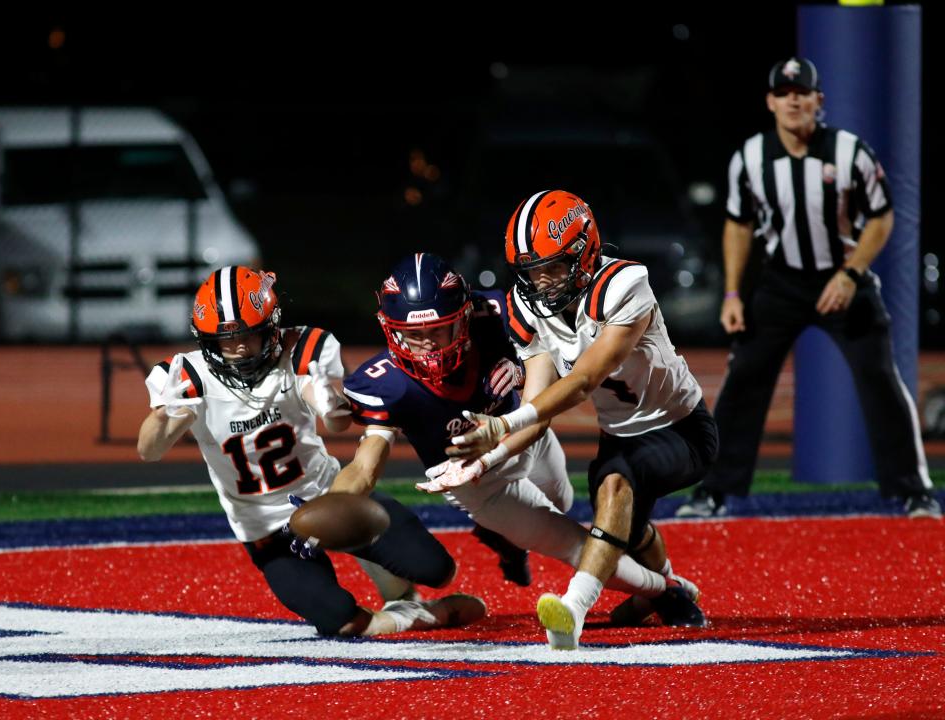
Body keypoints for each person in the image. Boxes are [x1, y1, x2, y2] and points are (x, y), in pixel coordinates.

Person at [137, 265, 485, 637]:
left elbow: (333, 420)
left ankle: (391, 581)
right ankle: (415, 613)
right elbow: (149, 451)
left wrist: (331, 403)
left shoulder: (298, 349)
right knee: (342, 621)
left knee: (437, 569)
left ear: (271, 327)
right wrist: (162, 418)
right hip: (267, 529)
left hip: (331, 498)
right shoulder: (187, 377)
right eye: (225, 340)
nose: (238, 348)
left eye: (249, 336)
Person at [336, 252, 685, 620]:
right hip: (479, 481)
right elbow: (364, 466)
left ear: (465, 316)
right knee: (577, 545)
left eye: (438, 329)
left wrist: (524, 368)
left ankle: (506, 542)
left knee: (563, 498)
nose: (428, 346)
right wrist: (327, 509)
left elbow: (560, 352)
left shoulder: (499, 313)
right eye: (414, 335)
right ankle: (667, 591)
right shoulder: (385, 383)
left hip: (525, 436)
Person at [449, 191, 718, 649]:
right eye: (531, 271)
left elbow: (585, 380)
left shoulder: (625, 282)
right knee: (625, 531)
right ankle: (671, 592)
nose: (542, 282)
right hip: (620, 437)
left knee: (617, 487)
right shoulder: (527, 305)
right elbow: (536, 408)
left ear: (585, 251)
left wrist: (503, 425)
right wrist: (485, 457)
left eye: (552, 266)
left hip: (679, 427)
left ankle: (572, 610)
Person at [675, 57, 940, 520]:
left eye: (803, 92)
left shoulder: (849, 151)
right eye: (785, 93)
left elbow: (881, 215)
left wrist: (851, 273)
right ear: (771, 102)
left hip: (843, 277)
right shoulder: (752, 157)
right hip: (781, 282)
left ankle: (913, 489)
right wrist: (734, 294)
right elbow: (738, 226)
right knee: (744, 379)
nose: (794, 100)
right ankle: (714, 492)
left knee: (880, 377)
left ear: (819, 100)